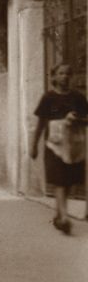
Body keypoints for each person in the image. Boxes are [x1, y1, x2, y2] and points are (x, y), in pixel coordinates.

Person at [31, 63, 88, 234]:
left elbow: (87, 119)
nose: (65, 77)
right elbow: (41, 123)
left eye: (68, 74)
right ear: (54, 77)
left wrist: (76, 120)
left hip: (73, 145)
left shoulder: (78, 97)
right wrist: (34, 145)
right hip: (54, 145)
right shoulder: (48, 98)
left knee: (69, 180)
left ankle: (59, 214)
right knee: (59, 179)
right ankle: (64, 217)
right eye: (61, 73)